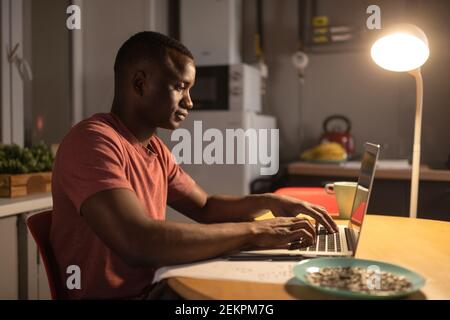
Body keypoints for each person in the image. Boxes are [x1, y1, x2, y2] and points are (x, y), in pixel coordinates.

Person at [50, 31, 338, 299]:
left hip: (155, 286)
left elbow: (206, 207)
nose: (189, 101)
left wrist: (269, 201)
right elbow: (139, 241)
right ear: (140, 83)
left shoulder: (155, 149)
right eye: (180, 87)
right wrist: (256, 232)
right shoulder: (92, 141)